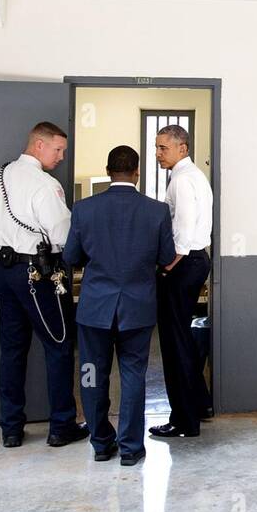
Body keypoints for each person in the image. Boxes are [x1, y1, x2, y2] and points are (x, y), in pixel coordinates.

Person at [64, 145, 175, 466]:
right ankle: (130, 448)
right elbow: (167, 259)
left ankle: (101, 443)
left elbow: (71, 257)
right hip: (138, 308)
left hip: (95, 309)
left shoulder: (84, 209)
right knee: (133, 375)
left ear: (109, 170)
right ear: (137, 172)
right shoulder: (156, 211)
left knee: (91, 375)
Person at [0, 121, 87, 449]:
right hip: (37, 275)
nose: (61, 156)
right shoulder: (45, 184)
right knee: (58, 346)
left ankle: (11, 429)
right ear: (38, 146)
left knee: (12, 350)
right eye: (58, 149)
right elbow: (64, 236)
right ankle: (61, 426)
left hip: (2, 269)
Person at [149, 124, 213, 440]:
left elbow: (183, 233)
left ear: (182, 148)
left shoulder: (183, 180)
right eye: (157, 147)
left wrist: (165, 267)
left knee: (175, 346)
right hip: (195, 261)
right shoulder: (191, 176)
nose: (158, 153)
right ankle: (198, 406)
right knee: (182, 341)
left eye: (163, 148)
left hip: (185, 263)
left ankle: (184, 421)